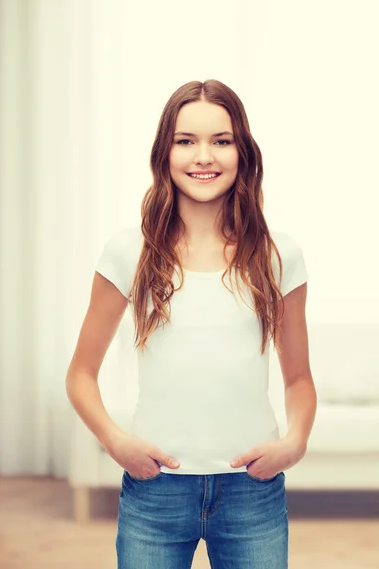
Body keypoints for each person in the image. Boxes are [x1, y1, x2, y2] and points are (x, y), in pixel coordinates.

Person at [65, 79, 317, 568]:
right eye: (187, 141)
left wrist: (295, 443)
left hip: (253, 492)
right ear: (165, 153)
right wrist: (116, 442)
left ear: (242, 152)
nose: (204, 156)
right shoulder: (128, 251)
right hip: (155, 491)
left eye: (221, 141)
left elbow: (299, 379)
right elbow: (80, 374)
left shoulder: (279, 255)